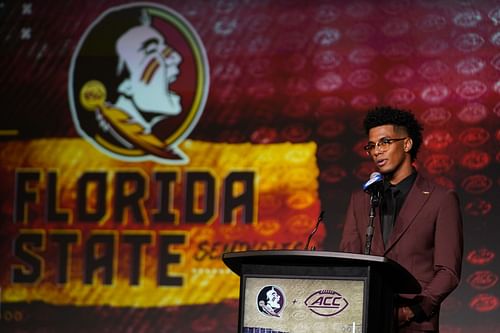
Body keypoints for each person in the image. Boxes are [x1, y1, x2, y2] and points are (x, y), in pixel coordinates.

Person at [339, 106, 463, 332]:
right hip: (366, 321)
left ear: (407, 144)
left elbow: (448, 271)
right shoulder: (361, 199)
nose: (377, 151)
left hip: (414, 323)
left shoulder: (441, 199)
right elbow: (349, 260)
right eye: (372, 145)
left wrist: (411, 311)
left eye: (385, 142)